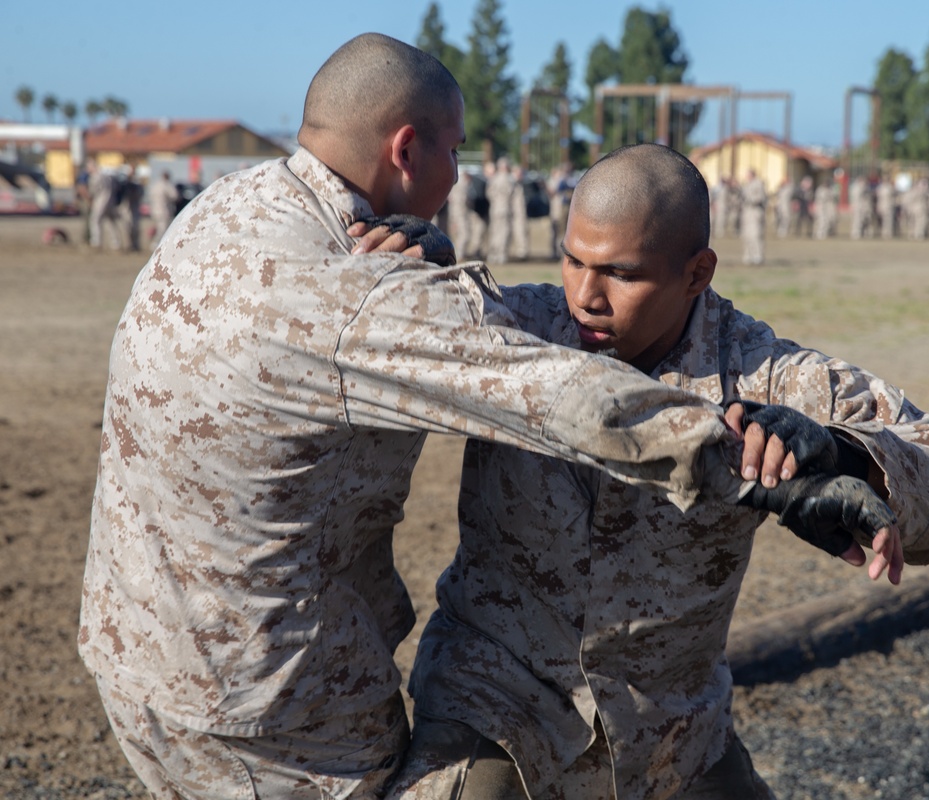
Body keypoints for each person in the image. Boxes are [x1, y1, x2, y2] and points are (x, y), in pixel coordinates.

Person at [77, 35, 854, 800]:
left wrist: (444, 279)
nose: (456, 177)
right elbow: (553, 393)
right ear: (407, 150)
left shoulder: (231, 211)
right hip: (269, 706)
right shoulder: (362, 287)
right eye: (453, 154)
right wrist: (762, 471)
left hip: (140, 649)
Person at [386, 144, 929, 799]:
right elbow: (379, 344)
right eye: (573, 260)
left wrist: (844, 453)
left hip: (670, 738)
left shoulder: (760, 372)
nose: (586, 295)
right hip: (497, 708)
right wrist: (416, 280)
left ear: (697, 273)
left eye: (620, 272)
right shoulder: (515, 325)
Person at [739, 169, 766, 265]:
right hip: (746, 212)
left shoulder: (758, 184)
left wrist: (750, 199)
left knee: (755, 235)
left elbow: (760, 197)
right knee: (746, 236)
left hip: (755, 212)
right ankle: (748, 256)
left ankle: (757, 256)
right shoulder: (746, 185)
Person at [147, 170, 179, 249]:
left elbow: (150, 196)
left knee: (159, 227)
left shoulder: (155, 185)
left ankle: (155, 241)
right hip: (164, 210)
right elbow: (175, 196)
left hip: (154, 210)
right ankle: (155, 244)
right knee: (163, 229)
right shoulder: (167, 185)